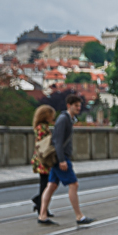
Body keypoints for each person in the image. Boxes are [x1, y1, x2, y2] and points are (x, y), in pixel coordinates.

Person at [38, 94, 93, 226]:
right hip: (60, 158)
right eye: (76, 106)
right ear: (69, 106)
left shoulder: (69, 119)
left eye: (79, 106)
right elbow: (57, 141)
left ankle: (42, 215)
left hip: (59, 157)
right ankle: (79, 216)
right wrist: (62, 160)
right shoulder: (64, 119)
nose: (78, 108)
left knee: (51, 186)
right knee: (73, 185)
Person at [30, 105, 57, 214]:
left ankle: (40, 202)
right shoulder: (42, 128)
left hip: (40, 158)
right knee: (46, 183)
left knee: (46, 183)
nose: (52, 119)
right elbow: (43, 143)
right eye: (51, 116)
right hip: (43, 158)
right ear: (46, 116)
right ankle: (41, 206)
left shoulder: (40, 127)